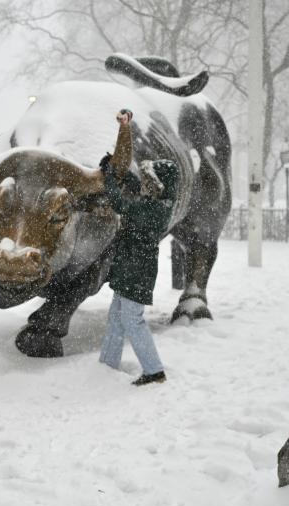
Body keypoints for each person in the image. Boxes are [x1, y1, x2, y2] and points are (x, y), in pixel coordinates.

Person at [98, 109, 179, 386]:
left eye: (149, 180)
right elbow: (134, 191)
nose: (145, 183)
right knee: (116, 317)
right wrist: (113, 167)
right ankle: (107, 365)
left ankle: (154, 370)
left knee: (132, 319)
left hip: (137, 271)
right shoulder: (157, 203)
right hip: (130, 269)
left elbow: (121, 204)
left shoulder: (154, 210)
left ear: (158, 185)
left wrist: (108, 176)